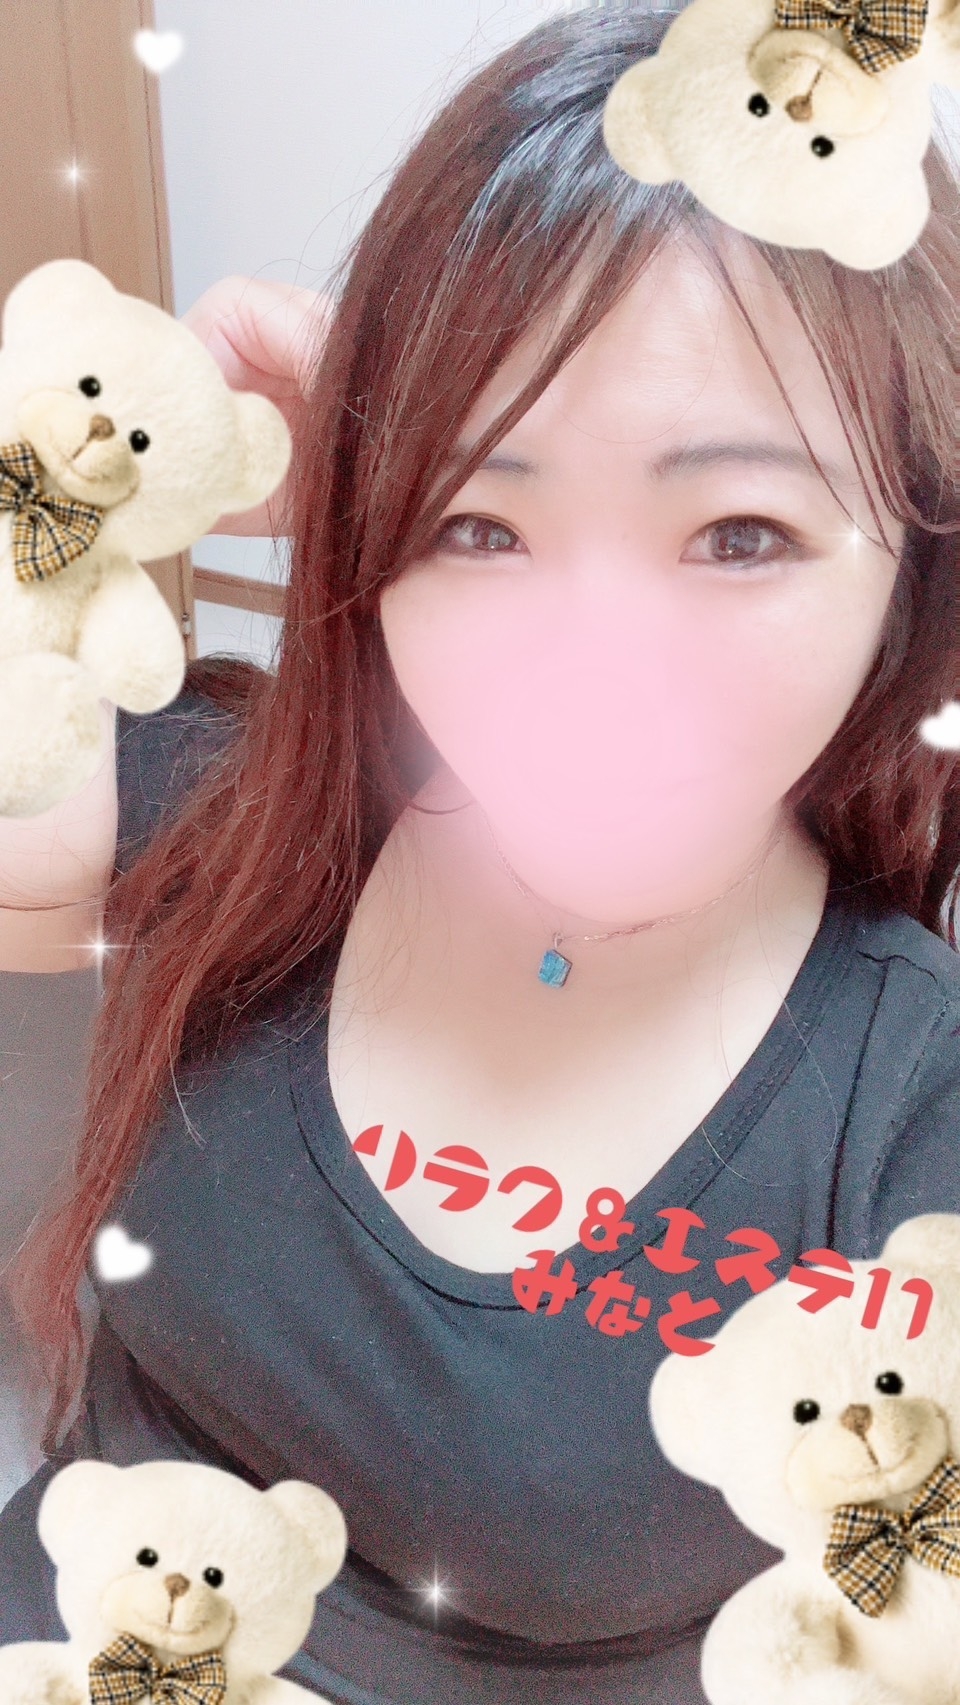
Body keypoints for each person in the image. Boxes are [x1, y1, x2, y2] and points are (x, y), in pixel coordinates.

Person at [0, 6, 957, 1701]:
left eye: (740, 533)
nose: (592, 670)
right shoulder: (262, 819)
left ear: (909, 568)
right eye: (480, 524)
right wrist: (102, 489)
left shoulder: (907, 1108)